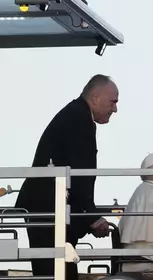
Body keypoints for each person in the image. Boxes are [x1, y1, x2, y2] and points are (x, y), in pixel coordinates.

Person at [15, 74, 119, 280]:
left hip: (46, 208)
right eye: (113, 102)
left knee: (55, 269)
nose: (115, 109)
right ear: (96, 97)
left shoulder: (75, 114)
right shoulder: (78, 118)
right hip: (48, 209)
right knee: (57, 271)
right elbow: (78, 173)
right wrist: (92, 216)